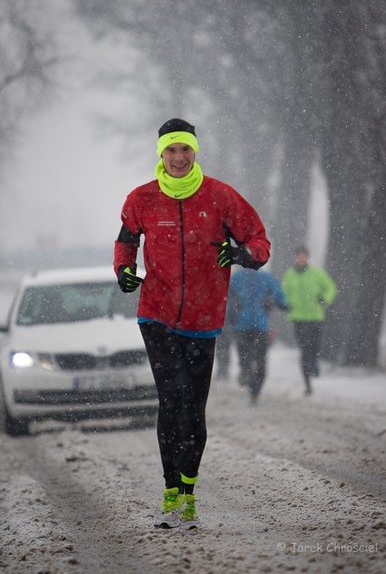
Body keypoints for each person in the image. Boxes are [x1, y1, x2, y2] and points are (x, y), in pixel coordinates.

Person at [113, 118, 271, 529]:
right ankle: (169, 487)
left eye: (185, 150)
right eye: (171, 150)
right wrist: (124, 271)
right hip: (157, 312)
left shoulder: (220, 196)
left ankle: (187, 488)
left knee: (194, 407)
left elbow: (259, 241)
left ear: (194, 152)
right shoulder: (142, 199)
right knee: (175, 396)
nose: (179, 158)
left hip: (204, 316)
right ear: (160, 155)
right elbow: (126, 240)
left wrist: (239, 255)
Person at [227, 267, 288, 404]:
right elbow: (227, 296)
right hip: (242, 325)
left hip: (259, 326)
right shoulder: (237, 278)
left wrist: (283, 303)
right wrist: (228, 313)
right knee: (245, 356)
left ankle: (255, 391)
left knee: (260, 361)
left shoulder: (266, 278)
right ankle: (246, 373)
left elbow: (278, 294)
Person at [282, 246, 336, 395]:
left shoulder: (317, 274)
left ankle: (314, 363)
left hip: (315, 317)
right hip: (298, 318)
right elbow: (283, 292)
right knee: (304, 349)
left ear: (308, 257)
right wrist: (285, 305)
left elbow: (330, 287)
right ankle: (307, 382)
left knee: (315, 347)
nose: (301, 258)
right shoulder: (289, 275)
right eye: (299, 255)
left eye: (304, 255)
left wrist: (325, 299)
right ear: (295, 257)